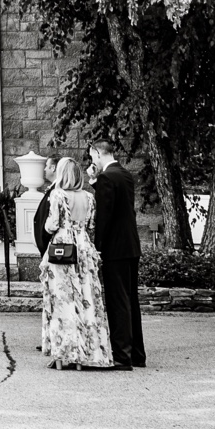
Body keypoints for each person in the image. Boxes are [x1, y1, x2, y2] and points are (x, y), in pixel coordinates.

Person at [39, 156, 115, 369]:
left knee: (61, 300)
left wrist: (49, 228)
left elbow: (52, 224)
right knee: (86, 297)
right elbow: (90, 224)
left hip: (63, 247)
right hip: (83, 247)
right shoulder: (89, 197)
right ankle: (84, 354)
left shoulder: (57, 195)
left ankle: (63, 354)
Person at [90, 139, 146, 369]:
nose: (91, 159)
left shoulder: (106, 177)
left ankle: (122, 356)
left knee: (117, 301)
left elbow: (104, 216)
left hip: (115, 248)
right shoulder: (123, 174)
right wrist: (95, 182)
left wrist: (97, 246)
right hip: (131, 246)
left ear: (97, 152)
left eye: (91, 154)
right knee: (131, 299)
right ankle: (136, 354)